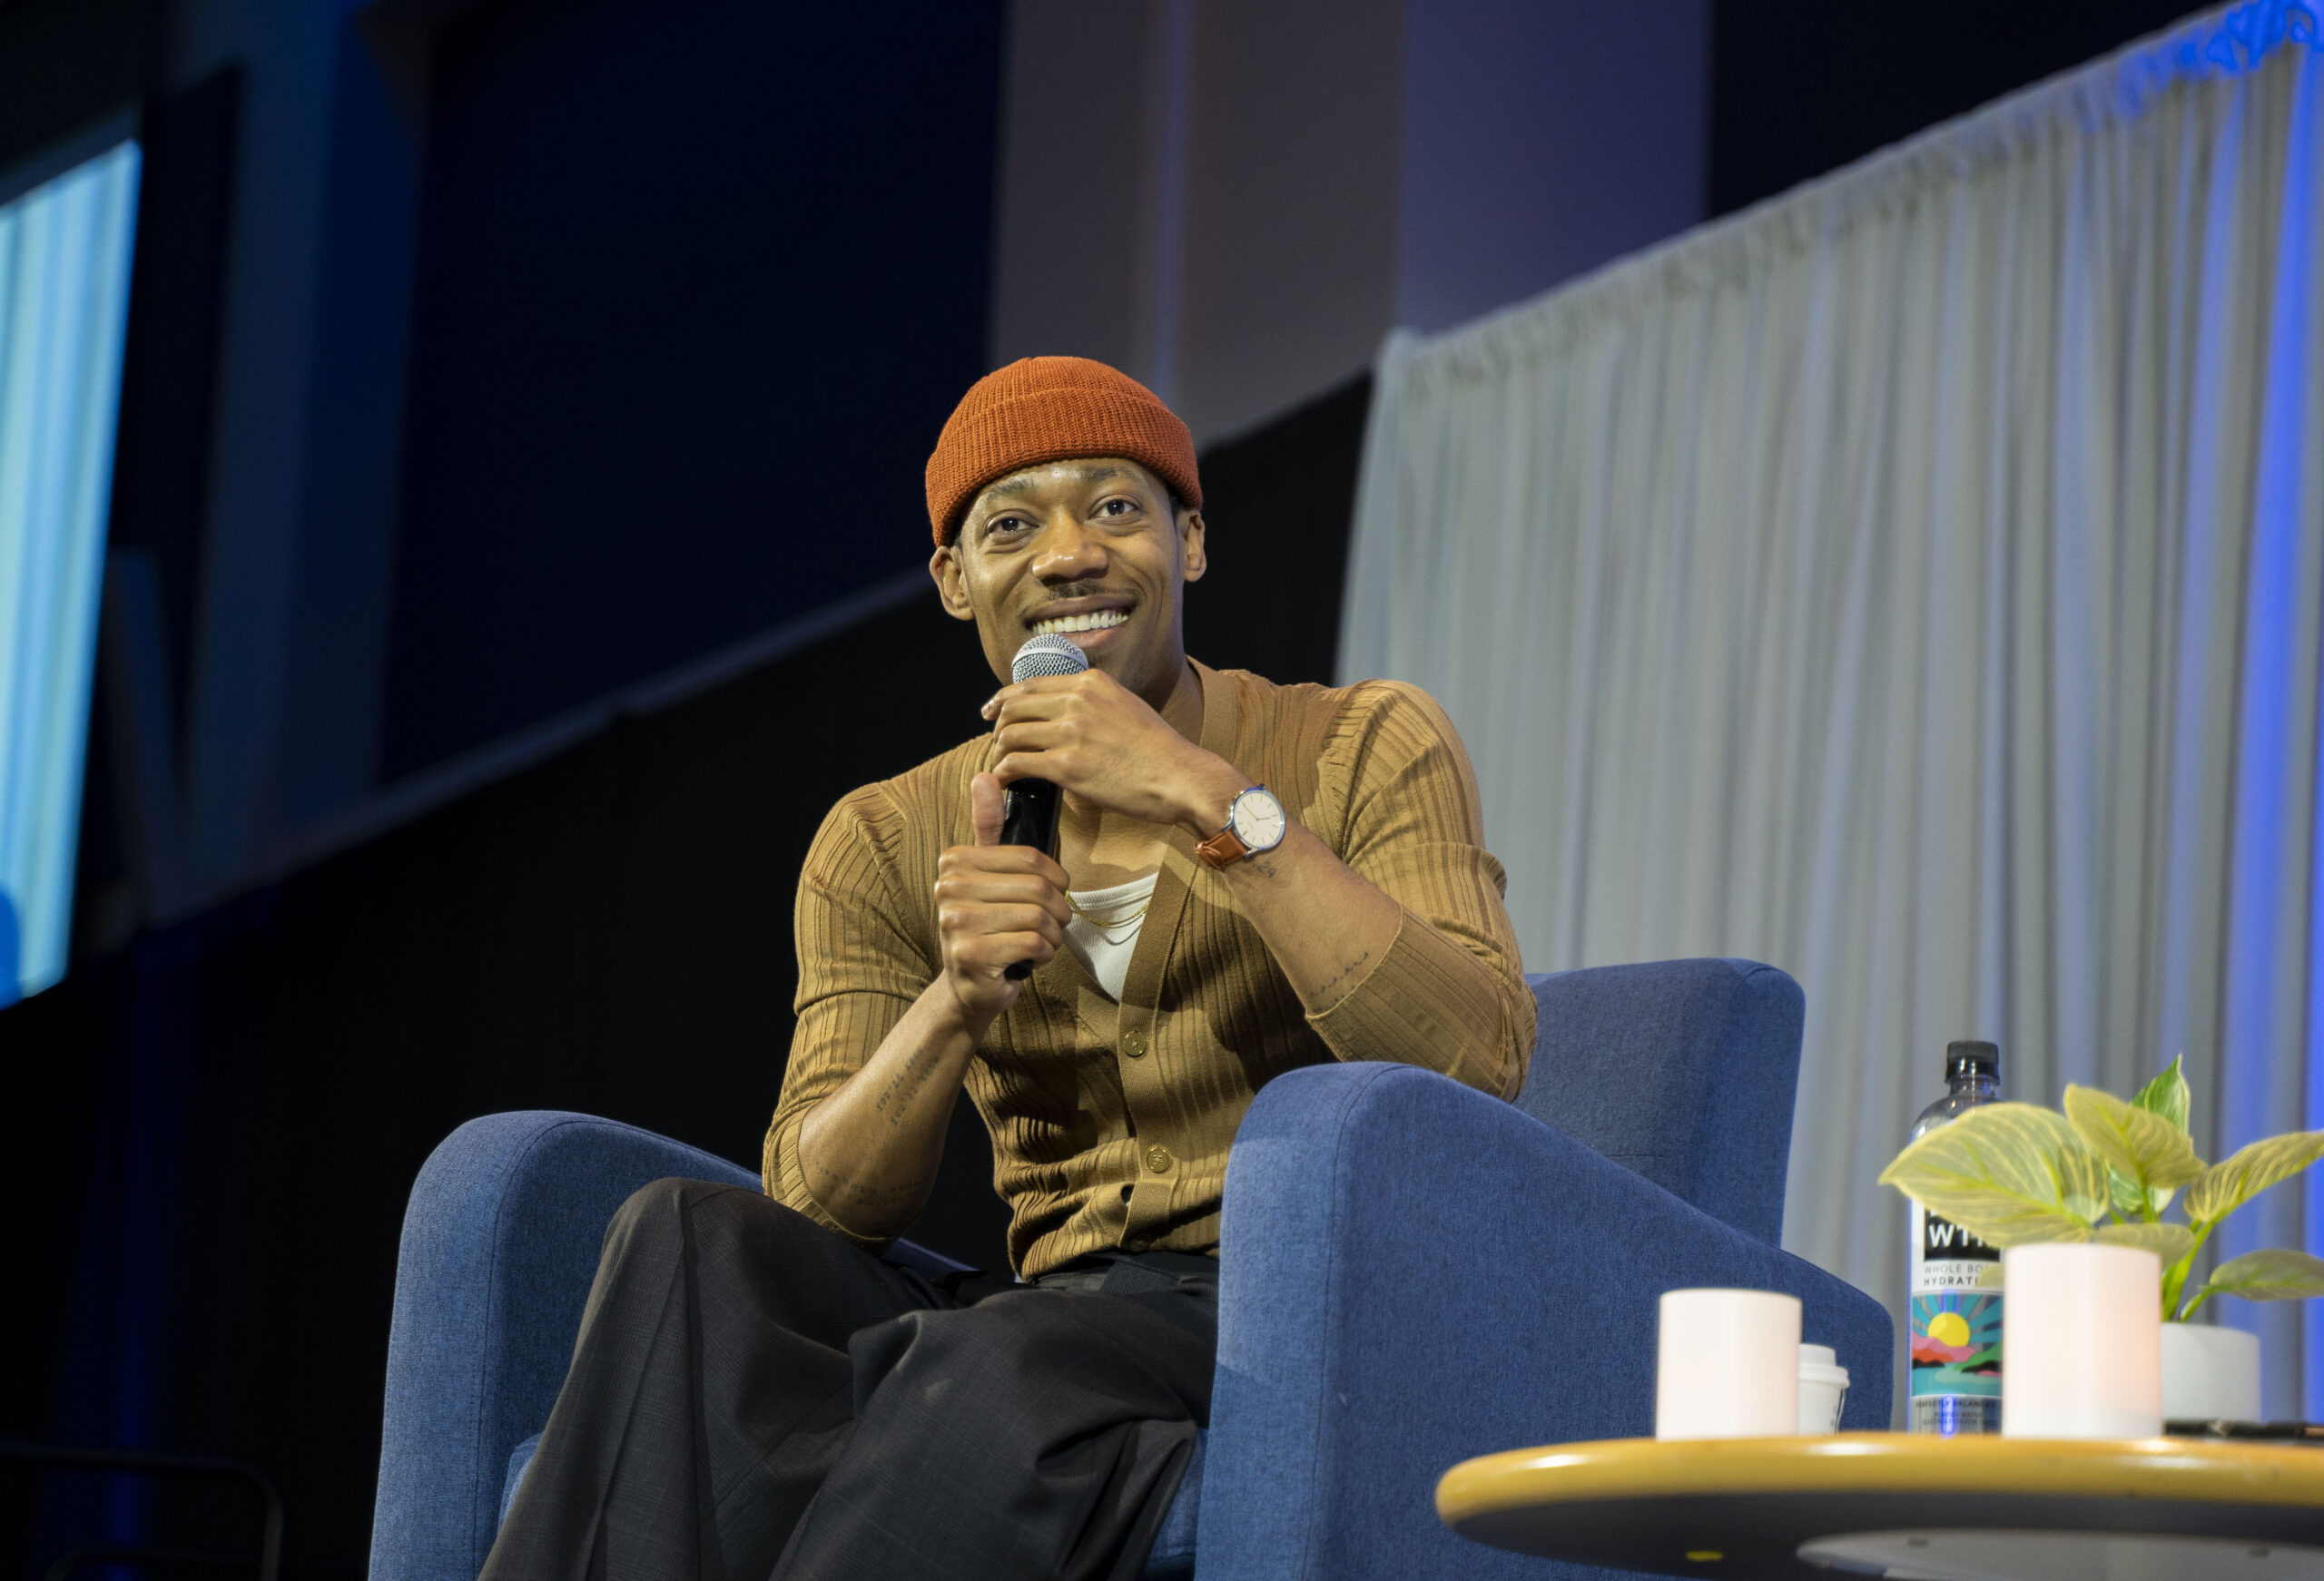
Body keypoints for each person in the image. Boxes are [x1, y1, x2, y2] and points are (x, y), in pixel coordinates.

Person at [481, 356, 1535, 1581]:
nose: (1070, 553)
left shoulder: (1363, 744)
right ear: (954, 580)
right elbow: (822, 1205)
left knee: (988, 1361)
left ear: (1190, 542)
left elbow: (1482, 1058)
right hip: (1055, 1310)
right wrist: (957, 1000)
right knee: (684, 1238)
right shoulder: (881, 836)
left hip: (1287, 1306)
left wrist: (1206, 797)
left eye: (1118, 508)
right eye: (1012, 525)